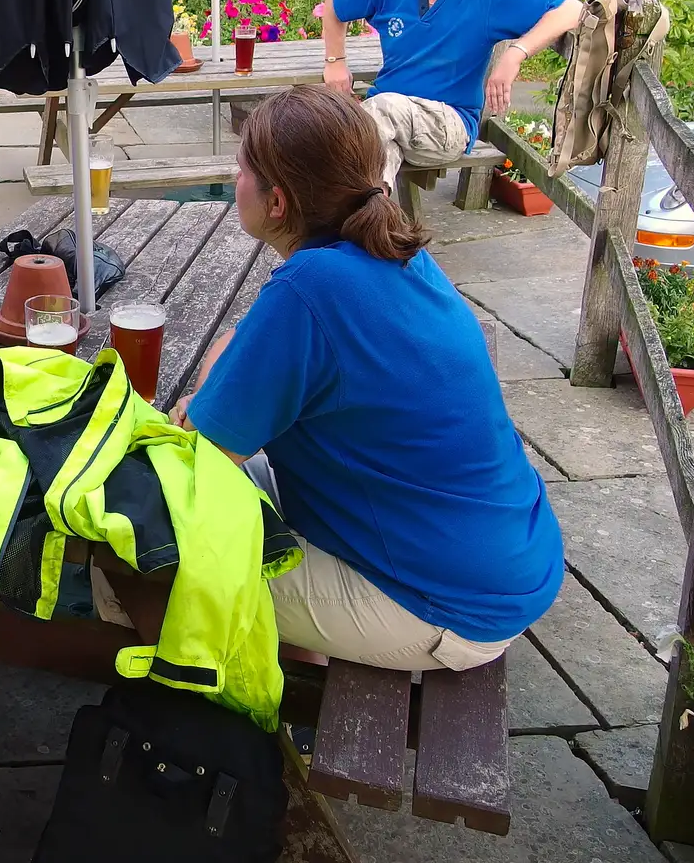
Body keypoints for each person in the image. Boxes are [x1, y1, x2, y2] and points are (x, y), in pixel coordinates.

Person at [101, 86, 564, 672]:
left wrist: (202, 400)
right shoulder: (389, 248)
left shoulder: (309, 288)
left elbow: (203, 454)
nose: (233, 176)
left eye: (242, 168)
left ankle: (212, 711)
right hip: (500, 555)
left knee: (137, 552)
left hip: (441, 605)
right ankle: (302, 648)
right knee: (237, 494)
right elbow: (244, 358)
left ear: (278, 202)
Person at [321, 0, 585, 187]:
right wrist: (335, 61)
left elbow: (572, 9)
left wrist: (516, 53)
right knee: (373, 166)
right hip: (387, 119)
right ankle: (369, 226)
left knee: (364, 123)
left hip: (448, 124)